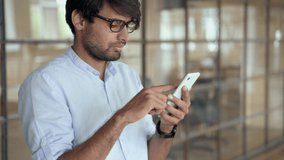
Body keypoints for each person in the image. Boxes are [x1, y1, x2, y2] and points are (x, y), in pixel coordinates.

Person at [18, 0, 191, 159]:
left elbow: (150, 156)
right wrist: (122, 118)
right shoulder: (45, 83)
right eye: (115, 24)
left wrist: (166, 128)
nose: (125, 37)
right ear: (80, 20)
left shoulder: (127, 75)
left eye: (127, 25)